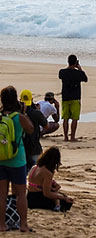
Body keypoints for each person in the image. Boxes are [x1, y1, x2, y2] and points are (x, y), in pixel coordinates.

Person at [0, 86, 36, 232]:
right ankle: (23, 224)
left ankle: (1, 224)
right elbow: (31, 129)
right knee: (21, 194)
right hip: (17, 160)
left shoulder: (0, 116)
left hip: (1, 158)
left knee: (2, 194)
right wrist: (24, 113)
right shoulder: (19, 117)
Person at [26, 146, 73, 212]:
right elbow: (47, 193)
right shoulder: (47, 173)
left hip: (30, 196)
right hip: (38, 199)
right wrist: (64, 198)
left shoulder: (34, 167)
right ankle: (57, 206)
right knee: (67, 202)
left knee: (59, 195)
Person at [58, 55, 87, 142]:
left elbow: (60, 76)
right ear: (75, 62)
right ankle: (72, 137)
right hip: (75, 97)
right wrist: (79, 68)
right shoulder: (78, 73)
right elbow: (85, 79)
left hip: (65, 97)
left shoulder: (62, 72)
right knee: (75, 118)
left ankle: (66, 137)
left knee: (65, 118)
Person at [19, 90, 50, 168]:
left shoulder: (16, 114)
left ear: (20, 101)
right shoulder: (36, 113)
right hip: (34, 147)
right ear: (31, 100)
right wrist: (39, 112)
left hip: (20, 148)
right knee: (36, 170)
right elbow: (46, 126)